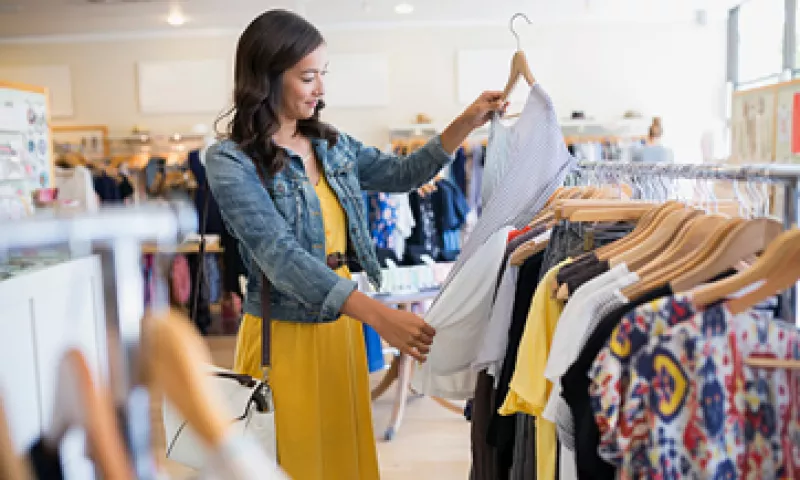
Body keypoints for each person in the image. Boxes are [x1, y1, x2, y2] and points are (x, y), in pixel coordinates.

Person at [206, 9, 506, 479]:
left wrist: (467, 121)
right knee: (291, 459)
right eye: (308, 76)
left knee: (342, 458)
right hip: (284, 334)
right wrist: (381, 315)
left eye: (323, 75)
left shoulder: (331, 145)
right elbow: (279, 256)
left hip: (342, 325)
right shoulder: (230, 161)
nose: (321, 89)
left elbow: (402, 174)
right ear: (266, 77)